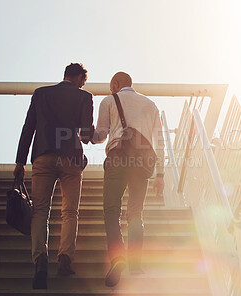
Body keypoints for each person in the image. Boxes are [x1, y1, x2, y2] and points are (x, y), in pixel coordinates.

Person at [13, 63, 94, 289]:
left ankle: (40, 261)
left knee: (40, 210)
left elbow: (28, 128)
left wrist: (20, 162)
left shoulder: (41, 94)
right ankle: (65, 258)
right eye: (82, 82)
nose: (81, 85)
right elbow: (87, 135)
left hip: (43, 156)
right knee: (70, 211)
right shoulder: (85, 97)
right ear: (78, 78)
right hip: (71, 161)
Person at [92, 72, 165, 287]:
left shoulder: (109, 100)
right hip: (142, 162)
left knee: (112, 210)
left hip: (117, 157)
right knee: (135, 212)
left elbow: (101, 134)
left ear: (115, 84)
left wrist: (86, 135)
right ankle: (135, 262)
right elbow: (159, 142)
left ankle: (118, 258)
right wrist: (160, 174)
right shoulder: (150, 105)